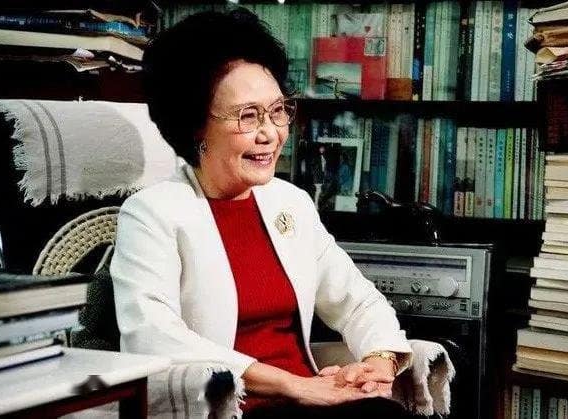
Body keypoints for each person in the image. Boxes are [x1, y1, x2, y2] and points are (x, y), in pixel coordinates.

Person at [110, 8, 415, 419]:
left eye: (277, 110)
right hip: (232, 409)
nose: (270, 133)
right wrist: (294, 385)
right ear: (195, 126)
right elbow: (152, 338)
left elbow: (357, 302)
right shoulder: (152, 213)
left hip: (314, 401)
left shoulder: (290, 202)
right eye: (248, 116)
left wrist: (379, 362)